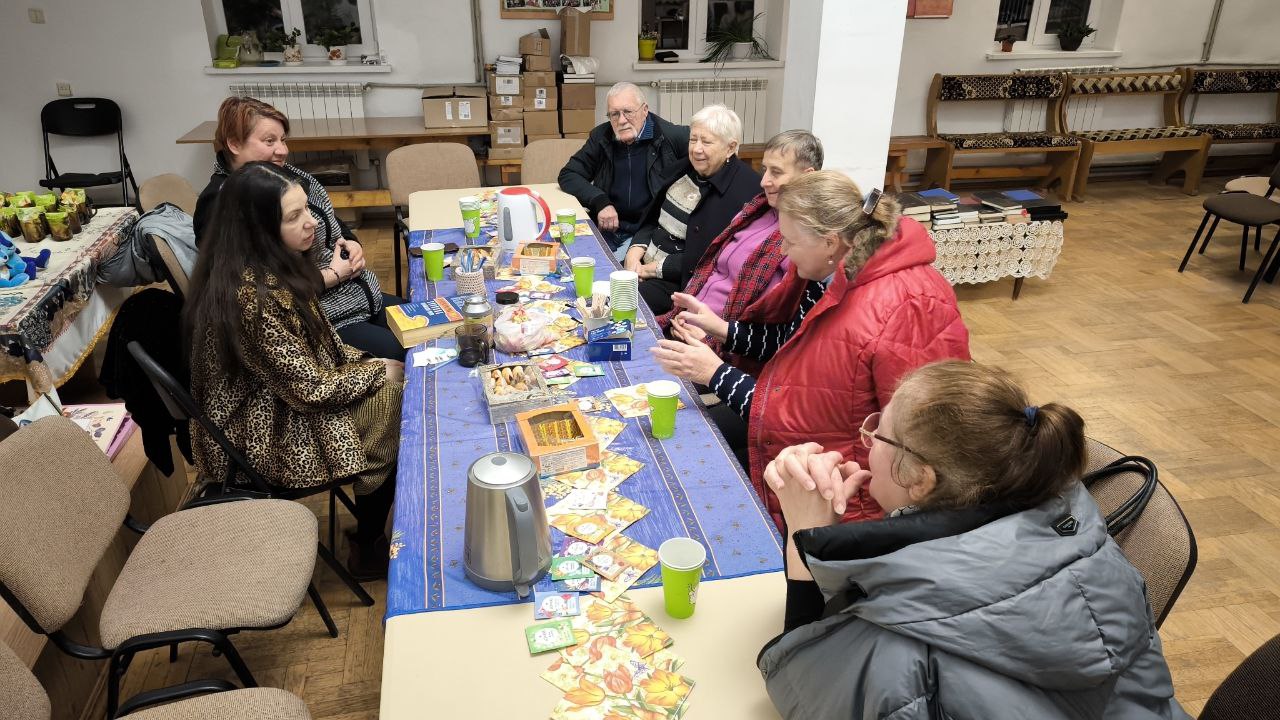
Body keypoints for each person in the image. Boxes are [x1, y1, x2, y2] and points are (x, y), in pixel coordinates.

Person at [756, 361, 1190, 720]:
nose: (866, 444)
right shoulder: (1076, 522)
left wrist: (802, 542)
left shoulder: (901, 656)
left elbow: (804, 688)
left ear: (920, 479)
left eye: (877, 434)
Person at [650, 170, 970, 531]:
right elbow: (790, 353)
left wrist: (715, 373)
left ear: (831, 242)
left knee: (701, 472)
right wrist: (722, 329)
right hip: (817, 460)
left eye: (789, 241)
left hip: (853, 496)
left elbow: (922, 446)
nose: (783, 252)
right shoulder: (830, 278)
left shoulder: (908, 305)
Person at [185, 161, 404, 581]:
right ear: (259, 228)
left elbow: (322, 349)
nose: (312, 225)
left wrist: (369, 365)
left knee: (396, 379)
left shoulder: (269, 265)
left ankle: (375, 523)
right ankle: (368, 545)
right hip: (256, 430)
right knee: (392, 404)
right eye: (294, 216)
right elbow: (307, 389)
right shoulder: (252, 295)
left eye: (307, 209)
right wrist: (378, 373)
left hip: (280, 395)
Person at [193, 96, 406, 360]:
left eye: (283, 140)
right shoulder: (221, 202)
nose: (282, 150)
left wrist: (352, 244)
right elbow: (257, 291)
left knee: (432, 325)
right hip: (321, 321)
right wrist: (332, 275)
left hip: (356, 296)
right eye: (269, 141)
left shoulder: (288, 177)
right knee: (414, 353)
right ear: (234, 144)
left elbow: (332, 223)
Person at [655, 129, 822, 370]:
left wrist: (711, 336)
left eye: (776, 172)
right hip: (686, 323)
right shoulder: (759, 209)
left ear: (808, 176)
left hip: (719, 349)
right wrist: (682, 315)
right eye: (765, 170)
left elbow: (771, 323)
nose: (764, 181)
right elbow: (711, 269)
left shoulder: (802, 240)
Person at [625, 104, 762, 316]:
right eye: (693, 139)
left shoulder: (745, 192)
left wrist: (647, 270)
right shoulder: (684, 170)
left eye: (706, 142)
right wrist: (634, 255)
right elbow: (653, 219)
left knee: (619, 305)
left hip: (679, 284)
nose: (696, 149)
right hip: (641, 266)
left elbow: (711, 257)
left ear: (730, 147)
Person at [557, 82, 691, 259]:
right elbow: (569, 174)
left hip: (649, 231)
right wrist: (600, 201)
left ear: (645, 110)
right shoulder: (601, 136)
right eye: (614, 114)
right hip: (608, 227)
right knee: (568, 258)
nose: (621, 120)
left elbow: (709, 158)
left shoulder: (672, 137)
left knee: (611, 271)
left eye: (628, 112)